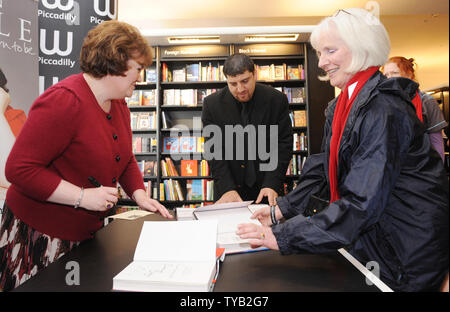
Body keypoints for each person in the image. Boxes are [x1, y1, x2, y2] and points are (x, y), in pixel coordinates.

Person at [236, 8, 449, 292]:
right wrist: (279, 212)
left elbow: (362, 202)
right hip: (375, 242)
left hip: (405, 249)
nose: (322, 62)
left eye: (330, 51)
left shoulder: (384, 109)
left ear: (362, 48)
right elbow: (323, 172)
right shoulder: (341, 106)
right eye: (319, 53)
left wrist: (283, 236)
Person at [0, 20, 173, 291]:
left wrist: (140, 196)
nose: (140, 76)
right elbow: (19, 170)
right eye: (138, 68)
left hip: (80, 235)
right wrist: (83, 197)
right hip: (38, 235)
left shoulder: (119, 105)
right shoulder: (63, 101)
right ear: (115, 63)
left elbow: (124, 157)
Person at [201, 53, 293, 206]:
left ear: (254, 74)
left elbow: (283, 144)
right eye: (233, 84)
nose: (240, 89)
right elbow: (214, 150)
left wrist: (272, 182)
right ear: (227, 81)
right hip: (228, 191)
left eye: (245, 81)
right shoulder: (212, 104)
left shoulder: (276, 100)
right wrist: (226, 188)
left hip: (267, 188)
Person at [382, 56, 447, 162]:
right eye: (386, 75)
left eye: (395, 73)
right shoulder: (383, 103)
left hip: (421, 166)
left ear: (409, 74)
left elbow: (436, 141)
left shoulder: (426, 101)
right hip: (393, 166)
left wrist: (437, 171)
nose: (390, 78)